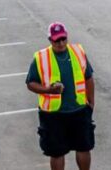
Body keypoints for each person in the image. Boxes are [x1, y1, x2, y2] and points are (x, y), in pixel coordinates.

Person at [26, 22, 95, 170]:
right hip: (53, 114)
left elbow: (88, 77)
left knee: (83, 147)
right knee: (57, 152)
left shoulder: (78, 52)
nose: (61, 43)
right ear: (50, 40)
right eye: (57, 40)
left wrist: (91, 102)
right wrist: (48, 90)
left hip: (79, 110)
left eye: (63, 39)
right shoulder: (41, 58)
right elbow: (30, 83)